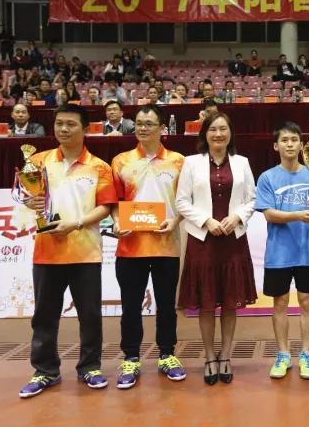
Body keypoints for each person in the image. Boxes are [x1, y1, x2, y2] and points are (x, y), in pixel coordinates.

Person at [18, 105, 118, 398]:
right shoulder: (38, 161)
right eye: (59, 123)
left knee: (90, 314)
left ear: (85, 129)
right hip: (46, 251)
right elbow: (27, 196)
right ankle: (45, 370)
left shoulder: (99, 167)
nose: (63, 129)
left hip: (85, 253)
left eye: (71, 124)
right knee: (44, 315)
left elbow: (105, 207)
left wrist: (75, 224)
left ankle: (90, 367)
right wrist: (30, 201)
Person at [176, 112, 257, 385]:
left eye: (223, 129)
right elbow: (181, 201)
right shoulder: (191, 163)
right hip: (203, 241)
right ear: (205, 134)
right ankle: (210, 356)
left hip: (233, 240)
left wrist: (237, 217)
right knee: (207, 303)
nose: (218, 134)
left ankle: (226, 356)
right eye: (213, 129)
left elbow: (252, 199)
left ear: (230, 133)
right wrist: (205, 220)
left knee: (231, 302)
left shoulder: (242, 162)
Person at [110, 105, 186, 389]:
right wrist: (117, 222)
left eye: (149, 124)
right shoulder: (121, 161)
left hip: (166, 245)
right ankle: (131, 357)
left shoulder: (178, 162)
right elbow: (114, 202)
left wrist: (176, 220)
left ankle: (167, 354)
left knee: (166, 305)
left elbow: (186, 201)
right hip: (131, 246)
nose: (142, 128)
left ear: (162, 128)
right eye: (139, 123)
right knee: (130, 305)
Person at [256, 122, 309, 380]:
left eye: (294, 139)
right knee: (280, 303)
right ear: (276, 146)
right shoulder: (267, 178)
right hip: (279, 253)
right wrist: (297, 215)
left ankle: (306, 354)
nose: (290, 144)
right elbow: (269, 214)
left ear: (301, 145)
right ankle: (283, 354)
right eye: (284, 140)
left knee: (307, 302)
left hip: (307, 252)